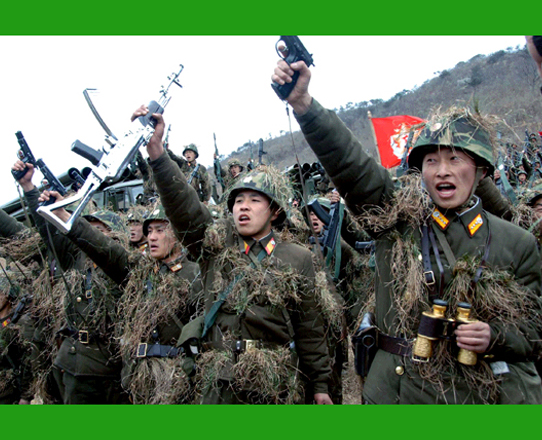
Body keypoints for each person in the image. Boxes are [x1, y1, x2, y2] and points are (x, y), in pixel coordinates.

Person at [272, 55, 542, 404]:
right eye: (431, 161)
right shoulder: (396, 221)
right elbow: (352, 165)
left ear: (482, 171)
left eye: (455, 159)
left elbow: (534, 330)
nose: (442, 171)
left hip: (479, 395)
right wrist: (304, 105)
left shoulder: (516, 242)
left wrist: (494, 335)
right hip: (400, 394)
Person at [131, 103, 333, 405]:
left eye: (254, 200)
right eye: (238, 201)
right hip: (219, 385)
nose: (244, 206)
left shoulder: (297, 257)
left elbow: (310, 329)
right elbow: (184, 206)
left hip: (273, 387)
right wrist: (158, 156)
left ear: (275, 211)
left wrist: (319, 385)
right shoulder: (215, 246)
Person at [40, 194, 203, 404]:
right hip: (140, 383)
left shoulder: (195, 274)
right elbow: (103, 248)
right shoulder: (139, 271)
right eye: (149, 231)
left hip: (177, 383)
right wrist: (64, 216)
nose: (152, 237)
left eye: (160, 230)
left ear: (179, 233)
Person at [12, 159, 129, 405]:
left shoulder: (123, 266)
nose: (89, 235)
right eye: (86, 227)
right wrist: (29, 188)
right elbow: (48, 230)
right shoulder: (75, 259)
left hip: (106, 369)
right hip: (70, 363)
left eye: (98, 230)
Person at [0, 275, 34, 404]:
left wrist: (25, 397)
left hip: (5, 394)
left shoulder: (19, 325)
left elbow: (28, 362)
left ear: (7, 296)